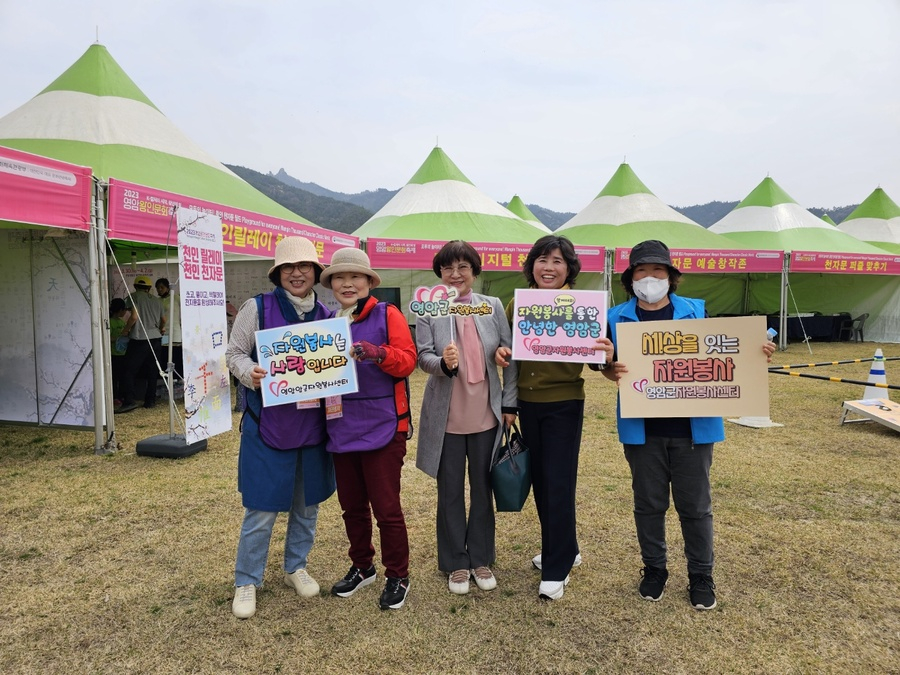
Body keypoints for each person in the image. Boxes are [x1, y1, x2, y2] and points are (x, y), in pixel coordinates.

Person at [603, 239, 776, 610]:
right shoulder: (616, 317)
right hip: (642, 429)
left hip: (693, 430)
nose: (649, 278)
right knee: (647, 505)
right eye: (641, 271)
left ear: (671, 276)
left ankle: (701, 574)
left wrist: (756, 350)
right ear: (630, 279)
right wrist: (607, 368)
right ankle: (654, 569)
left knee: (696, 507)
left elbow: (724, 350)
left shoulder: (695, 312)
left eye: (657, 271)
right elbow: (603, 364)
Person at [495, 234, 615, 601]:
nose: (549, 267)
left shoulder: (585, 306)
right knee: (543, 481)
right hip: (528, 405)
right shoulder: (519, 304)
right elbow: (511, 357)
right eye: (543, 260)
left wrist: (605, 353)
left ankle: (557, 566)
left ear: (570, 269)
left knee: (558, 481)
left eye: (558, 261)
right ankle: (567, 548)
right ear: (532, 266)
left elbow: (598, 361)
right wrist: (509, 399)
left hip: (564, 403)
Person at [225, 236, 337, 619]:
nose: (297, 273)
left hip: (312, 427)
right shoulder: (256, 309)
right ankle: (246, 579)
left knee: (307, 505)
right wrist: (248, 373)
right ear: (278, 273)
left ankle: (295, 566)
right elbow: (234, 353)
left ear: (315, 272)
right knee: (261, 508)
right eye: (288, 267)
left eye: (304, 266)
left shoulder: (328, 317)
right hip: (267, 425)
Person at [415, 240, 517, 595]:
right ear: (439, 274)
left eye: (462, 267)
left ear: (475, 271)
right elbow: (422, 356)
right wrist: (442, 363)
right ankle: (456, 561)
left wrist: (509, 403)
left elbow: (509, 353)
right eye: (447, 268)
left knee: (482, 487)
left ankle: (482, 557)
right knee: (450, 491)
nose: (455, 274)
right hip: (447, 416)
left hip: (486, 413)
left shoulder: (490, 307)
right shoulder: (429, 310)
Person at [319, 248, 417, 611]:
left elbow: (408, 362)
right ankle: (362, 567)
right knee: (351, 507)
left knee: (386, 508)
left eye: (355, 277)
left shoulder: (387, 314)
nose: (347, 283)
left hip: (383, 425)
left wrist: (378, 353)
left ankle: (398, 575)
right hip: (340, 424)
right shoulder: (327, 322)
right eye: (339, 278)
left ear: (368, 282)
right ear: (331, 286)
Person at [117, 276, 166, 412]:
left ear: (135, 286)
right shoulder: (157, 300)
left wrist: (125, 330)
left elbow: (133, 316)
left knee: (128, 370)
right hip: (155, 339)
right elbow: (163, 319)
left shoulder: (133, 296)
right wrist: (161, 328)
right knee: (152, 371)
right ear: (149, 288)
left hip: (139, 339)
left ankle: (129, 400)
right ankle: (150, 401)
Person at [155, 278, 183, 380]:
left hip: (174, 332)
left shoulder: (176, 298)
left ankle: (177, 380)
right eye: (158, 288)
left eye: (162, 287)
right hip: (162, 332)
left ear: (167, 287)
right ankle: (165, 380)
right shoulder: (157, 301)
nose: (160, 290)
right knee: (164, 355)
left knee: (175, 356)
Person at [108, 297, 129, 407]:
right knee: (114, 378)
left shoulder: (122, 322)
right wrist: (119, 338)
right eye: (124, 309)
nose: (125, 312)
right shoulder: (110, 322)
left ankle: (121, 396)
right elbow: (107, 338)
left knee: (122, 377)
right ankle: (114, 397)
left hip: (123, 353)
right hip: (113, 354)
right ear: (120, 310)